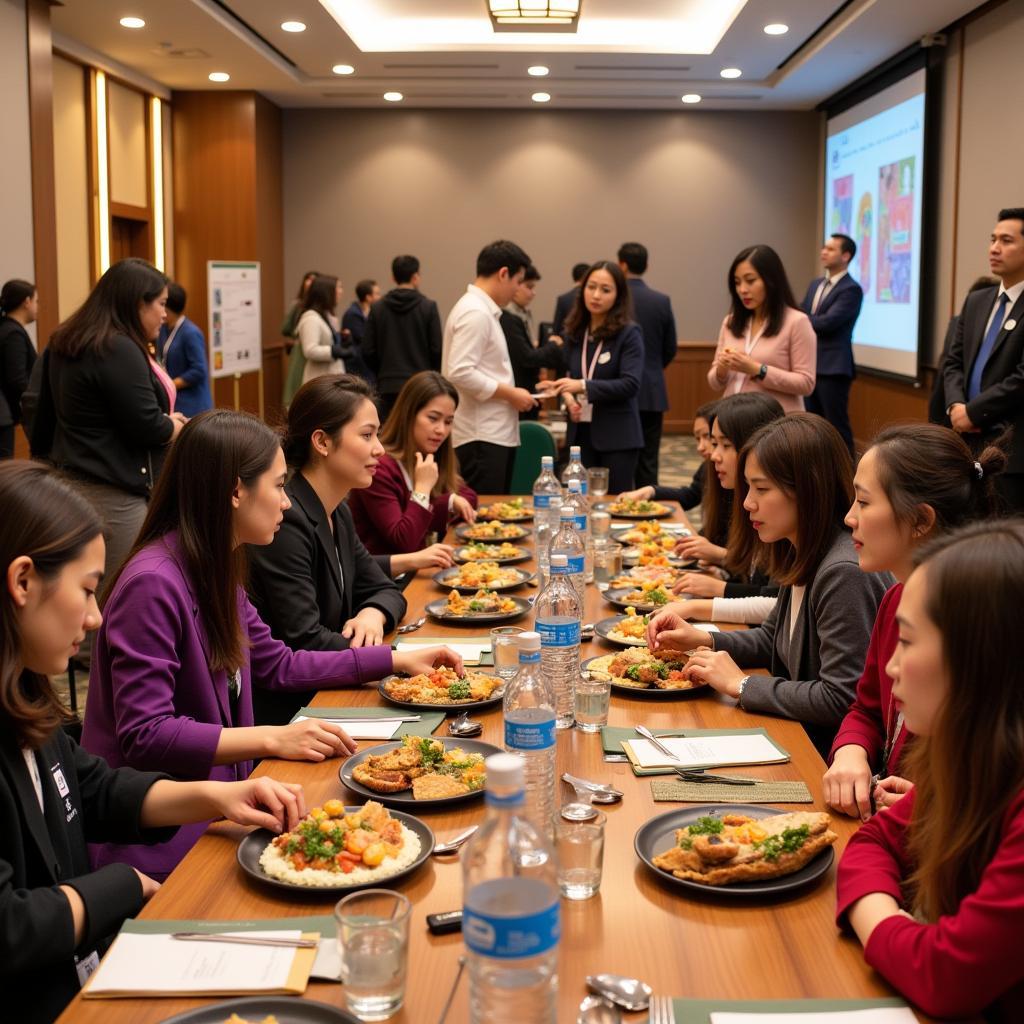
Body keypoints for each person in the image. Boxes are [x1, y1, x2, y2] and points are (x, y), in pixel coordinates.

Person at [81, 410, 462, 879]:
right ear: (236, 490)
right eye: (279, 486)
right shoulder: (153, 583)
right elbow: (146, 734)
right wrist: (274, 737)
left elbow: (278, 663)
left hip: (225, 813)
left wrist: (394, 659)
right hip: (160, 843)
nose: (286, 502)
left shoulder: (214, 565)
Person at [0, 460, 308, 1024]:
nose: (95, 617)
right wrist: (120, 887)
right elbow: (11, 927)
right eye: (88, 591)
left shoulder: (24, 697)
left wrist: (217, 799)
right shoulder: (153, 581)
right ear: (22, 582)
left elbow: (92, 788)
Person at [835, 520, 1024, 1020]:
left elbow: (945, 976)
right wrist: (898, 927)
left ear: (980, 659)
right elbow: (872, 842)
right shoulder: (970, 755)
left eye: (910, 642)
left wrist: (878, 920)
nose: (891, 666)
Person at [647, 414, 892, 756]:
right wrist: (702, 638)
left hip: (822, 755)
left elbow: (842, 699)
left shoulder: (843, 572)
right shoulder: (803, 548)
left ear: (808, 490)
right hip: (796, 735)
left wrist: (741, 684)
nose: (747, 502)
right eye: (749, 488)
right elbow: (771, 639)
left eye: (762, 489)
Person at [823, 424, 1005, 821]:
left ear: (921, 520)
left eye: (865, 503)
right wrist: (851, 751)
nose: (849, 517)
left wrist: (931, 805)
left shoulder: (976, 622)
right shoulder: (895, 599)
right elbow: (867, 707)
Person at [247, 375, 411, 724]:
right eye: (367, 435)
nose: (380, 448)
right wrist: (392, 658)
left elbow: (384, 587)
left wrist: (373, 613)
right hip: (292, 710)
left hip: (332, 687)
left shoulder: (335, 508)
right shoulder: (286, 518)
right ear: (322, 441)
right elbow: (305, 640)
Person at [37, 258, 186, 607]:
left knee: (84, 593)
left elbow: (41, 415)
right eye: (161, 304)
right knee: (121, 596)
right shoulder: (118, 347)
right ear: (138, 303)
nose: (165, 315)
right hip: (116, 492)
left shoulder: (66, 339)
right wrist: (174, 426)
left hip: (70, 483)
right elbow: (145, 424)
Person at [668, 393, 786, 625]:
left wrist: (721, 588)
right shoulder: (740, 496)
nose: (713, 455)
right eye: (714, 443)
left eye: (725, 445)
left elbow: (775, 601)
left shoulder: (778, 511)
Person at [943, 207, 1024, 512]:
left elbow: (1022, 377)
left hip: (1012, 450)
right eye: (992, 239)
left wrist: (974, 412)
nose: (994, 248)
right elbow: (952, 361)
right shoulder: (978, 300)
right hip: (966, 443)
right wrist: (955, 407)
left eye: (1006, 240)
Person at [540, 261, 643, 493]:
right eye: (591, 287)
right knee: (578, 499)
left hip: (617, 435)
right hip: (580, 432)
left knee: (616, 504)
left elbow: (630, 384)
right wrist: (567, 396)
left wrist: (582, 385)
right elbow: (568, 376)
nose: (596, 295)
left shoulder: (629, 333)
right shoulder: (574, 332)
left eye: (605, 290)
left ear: (618, 296)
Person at [349, 371, 478, 558]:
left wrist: (448, 502)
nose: (441, 430)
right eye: (433, 418)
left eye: (448, 421)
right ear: (409, 415)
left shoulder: (428, 455)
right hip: (385, 580)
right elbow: (404, 540)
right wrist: (423, 490)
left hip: (416, 571)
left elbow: (469, 497)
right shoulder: (378, 466)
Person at [443, 239, 537, 494]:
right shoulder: (476, 312)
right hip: (480, 434)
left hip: (488, 431)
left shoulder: (482, 310)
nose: (517, 289)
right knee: (484, 513)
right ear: (503, 273)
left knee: (493, 510)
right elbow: (459, 371)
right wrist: (511, 394)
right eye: (518, 282)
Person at [708, 244, 816, 413]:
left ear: (771, 280)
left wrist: (758, 370)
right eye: (737, 283)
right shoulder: (731, 322)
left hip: (775, 425)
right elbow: (714, 382)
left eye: (750, 281)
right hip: (733, 420)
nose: (742, 289)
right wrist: (721, 369)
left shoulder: (797, 322)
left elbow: (806, 384)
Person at [617, 242, 678, 488]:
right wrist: (653, 369)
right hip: (652, 389)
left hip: (617, 391)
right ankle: (648, 503)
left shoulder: (617, 301)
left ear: (621, 265)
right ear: (647, 266)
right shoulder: (661, 300)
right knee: (649, 457)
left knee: (620, 454)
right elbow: (670, 347)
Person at [801, 233, 863, 453]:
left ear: (846, 255)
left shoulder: (851, 289)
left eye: (830, 249)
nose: (823, 252)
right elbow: (803, 312)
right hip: (809, 365)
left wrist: (800, 320)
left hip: (833, 367)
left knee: (836, 427)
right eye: (823, 248)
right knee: (811, 425)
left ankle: (847, 475)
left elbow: (828, 323)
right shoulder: (816, 284)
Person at [363, 255, 443, 422]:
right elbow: (437, 349)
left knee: (389, 435)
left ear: (393, 277)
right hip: (420, 385)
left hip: (387, 384)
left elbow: (367, 350)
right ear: (415, 277)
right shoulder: (428, 307)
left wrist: (383, 371)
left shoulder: (377, 308)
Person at [619, 399, 719, 512]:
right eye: (697, 439)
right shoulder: (708, 466)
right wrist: (651, 491)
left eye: (707, 436)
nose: (700, 447)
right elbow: (691, 495)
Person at [928, 275, 997, 425]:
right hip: (953, 407)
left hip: (950, 406)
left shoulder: (956, 321)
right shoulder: (961, 323)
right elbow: (952, 362)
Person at [500, 264, 565, 420]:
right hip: (518, 394)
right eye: (529, 287)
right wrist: (553, 345)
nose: (533, 293)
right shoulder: (508, 317)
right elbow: (526, 358)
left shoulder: (521, 314)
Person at [156, 282, 213, 418]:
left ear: (169, 309)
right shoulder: (163, 329)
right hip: (174, 400)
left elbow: (199, 370)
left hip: (193, 403)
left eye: (162, 304)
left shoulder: (191, 332)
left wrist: (170, 384)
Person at [0, 279, 38, 459]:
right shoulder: (12, 333)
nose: (38, 307)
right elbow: (17, 380)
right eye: (36, 301)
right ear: (27, 301)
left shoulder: (6, 328)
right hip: (4, 415)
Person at [298, 274, 348, 385]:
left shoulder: (327, 315)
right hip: (320, 380)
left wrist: (342, 340)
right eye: (338, 287)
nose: (341, 291)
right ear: (327, 292)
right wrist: (333, 351)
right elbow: (310, 350)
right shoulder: (311, 318)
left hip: (331, 378)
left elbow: (329, 340)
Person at [281, 269, 317, 406]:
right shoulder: (298, 305)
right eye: (308, 279)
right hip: (300, 351)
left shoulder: (319, 308)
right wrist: (300, 335)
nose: (310, 283)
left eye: (313, 280)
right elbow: (285, 328)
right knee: (296, 386)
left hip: (312, 355)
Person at [340, 278, 380, 383]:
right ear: (368, 297)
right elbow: (362, 338)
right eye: (377, 294)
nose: (379, 297)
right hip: (357, 365)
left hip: (364, 364)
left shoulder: (368, 312)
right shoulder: (353, 314)